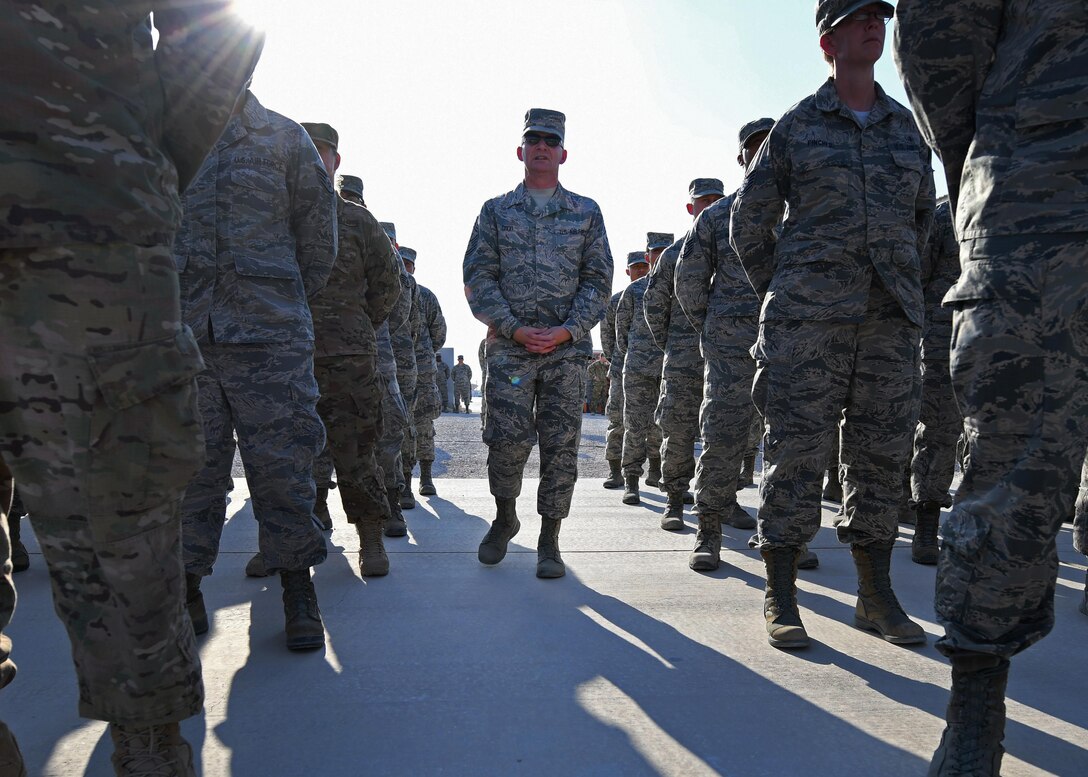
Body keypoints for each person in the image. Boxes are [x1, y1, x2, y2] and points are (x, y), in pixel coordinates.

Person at [0, 3, 260, 771]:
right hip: (97, 206)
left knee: (122, 563)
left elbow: (214, 25)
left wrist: (127, 158)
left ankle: (149, 750)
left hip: (85, 238)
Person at [895, 1, 1088, 772]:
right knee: (1015, 471)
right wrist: (1009, 144)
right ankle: (976, 705)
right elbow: (941, 40)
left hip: (1033, 196)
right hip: (1045, 210)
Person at [730, 0, 934, 650]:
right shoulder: (796, 127)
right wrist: (786, 292)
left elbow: (923, 221)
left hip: (887, 326)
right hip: (807, 322)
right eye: (857, 17)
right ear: (827, 42)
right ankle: (781, 595)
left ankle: (875, 595)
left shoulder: (907, 130)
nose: (874, 25)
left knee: (880, 457)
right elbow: (747, 221)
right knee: (797, 451)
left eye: (880, 15)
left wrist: (901, 285)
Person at [175, 87, 337, 651]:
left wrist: (277, 301)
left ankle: (298, 587)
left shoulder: (284, 138)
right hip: (186, 336)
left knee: (285, 468)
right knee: (189, 473)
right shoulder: (167, 135)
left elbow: (319, 239)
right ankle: (186, 588)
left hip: (270, 339)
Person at [464, 108, 613, 579]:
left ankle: (550, 540)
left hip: (566, 354)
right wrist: (512, 327)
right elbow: (478, 276)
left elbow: (598, 279)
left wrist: (568, 330)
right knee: (505, 440)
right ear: (520, 151)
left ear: (563, 153)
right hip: (511, 350)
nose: (542, 147)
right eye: (534, 139)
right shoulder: (495, 211)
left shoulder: (586, 213)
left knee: (560, 444)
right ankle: (505, 516)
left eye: (551, 140)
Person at [675, 127, 777, 571]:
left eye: (771, 145)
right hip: (731, 349)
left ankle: (783, 537)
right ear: (740, 159)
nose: (763, 155)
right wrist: (716, 328)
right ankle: (709, 530)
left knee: (792, 443)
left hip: (793, 344)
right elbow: (688, 280)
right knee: (723, 436)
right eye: (754, 149)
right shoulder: (718, 216)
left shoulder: (801, 211)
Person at [302, 122, 401, 576]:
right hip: (285, 357)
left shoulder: (357, 221)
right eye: (304, 151)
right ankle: (289, 540)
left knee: (358, 451)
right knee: (287, 455)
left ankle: (370, 539)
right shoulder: (273, 216)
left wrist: (359, 324)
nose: (312, 159)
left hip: (348, 359)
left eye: (320, 153)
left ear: (335, 162)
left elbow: (388, 281)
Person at [645, 179, 723, 530]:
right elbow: (654, 306)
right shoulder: (673, 255)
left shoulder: (735, 248)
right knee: (677, 432)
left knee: (724, 432)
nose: (709, 206)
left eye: (716, 200)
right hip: (682, 362)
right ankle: (675, 499)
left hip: (726, 360)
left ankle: (726, 499)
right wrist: (674, 347)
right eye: (702, 201)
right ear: (690, 208)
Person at [907, 198, 960, 565]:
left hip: (1010, 341)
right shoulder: (945, 216)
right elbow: (917, 279)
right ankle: (927, 521)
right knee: (939, 433)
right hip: (945, 341)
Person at [616, 237, 672, 505]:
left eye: (665, 251)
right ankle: (631, 480)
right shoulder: (635, 291)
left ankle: (660, 474)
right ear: (648, 255)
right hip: (638, 369)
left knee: (666, 427)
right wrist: (638, 355)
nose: (660, 256)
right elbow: (620, 334)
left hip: (670, 369)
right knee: (635, 426)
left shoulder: (679, 285)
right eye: (655, 252)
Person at [402, 248, 447, 497]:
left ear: (414, 268)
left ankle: (426, 477)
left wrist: (424, 351)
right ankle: (404, 483)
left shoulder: (425, 297)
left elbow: (438, 331)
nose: (404, 268)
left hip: (422, 372)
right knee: (398, 425)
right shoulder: (387, 291)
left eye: (407, 264)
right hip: (396, 370)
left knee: (423, 422)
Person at [601, 257, 647, 489]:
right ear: (627, 270)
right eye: (636, 267)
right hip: (622, 368)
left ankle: (656, 471)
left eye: (644, 266)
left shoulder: (665, 292)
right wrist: (618, 359)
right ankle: (614, 471)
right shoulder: (617, 300)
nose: (640, 270)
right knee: (618, 420)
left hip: (654, 368)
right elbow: (608, 338)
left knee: (657, 424)